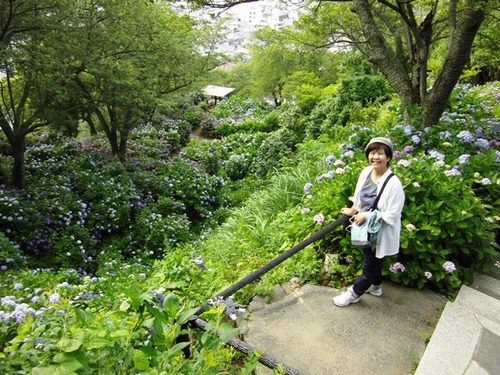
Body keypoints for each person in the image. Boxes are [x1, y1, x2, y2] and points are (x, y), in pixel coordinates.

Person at [333, 137, 405, 307]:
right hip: (364, 228)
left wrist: (366, 215)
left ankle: (354, 294)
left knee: (369, 266)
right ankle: (376, 287)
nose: (375, 157)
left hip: (379, 232)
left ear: (388, 157)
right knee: (372, 260)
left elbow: (393, 216)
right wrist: (354, 210)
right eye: (372, 153)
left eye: (380, 153)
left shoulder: (394, 184)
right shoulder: (366, 172)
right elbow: (359, 194)